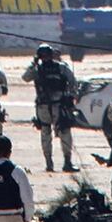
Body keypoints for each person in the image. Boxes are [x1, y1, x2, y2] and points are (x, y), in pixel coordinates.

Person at [22, 43, 77, 172]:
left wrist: (69, 97)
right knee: (48, 133)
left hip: (58, 105)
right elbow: (25, 78)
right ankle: (50, 163)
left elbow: (73, 82)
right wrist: (34, 64)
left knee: (63, 132)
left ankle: (66, 161)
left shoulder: (61, 68)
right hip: (45, 105)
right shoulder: (39, 69)